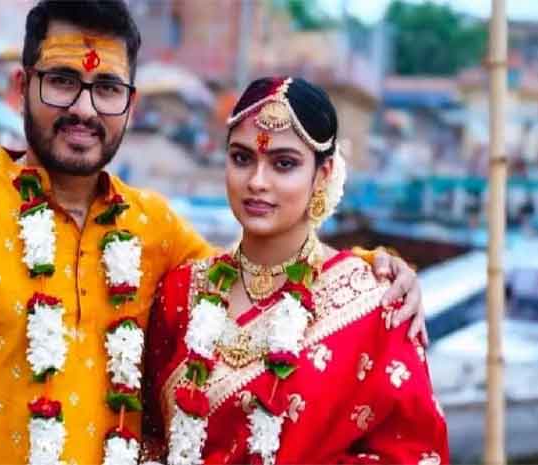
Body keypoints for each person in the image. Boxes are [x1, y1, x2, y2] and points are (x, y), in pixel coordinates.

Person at [0, 2, 426, 464]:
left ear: (131, 104)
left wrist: (374, 266)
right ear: (21, 87)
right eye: (62, 81)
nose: (84, 108)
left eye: (107, 88)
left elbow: (259, 276)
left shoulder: (153, 228)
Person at [144, 77, 449, 465]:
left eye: (284, 164)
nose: (257, 182)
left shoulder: (376, 303)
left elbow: (417, 454)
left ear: (322, 174)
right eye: (242, 158)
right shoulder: (181, 291)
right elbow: (148, 437)